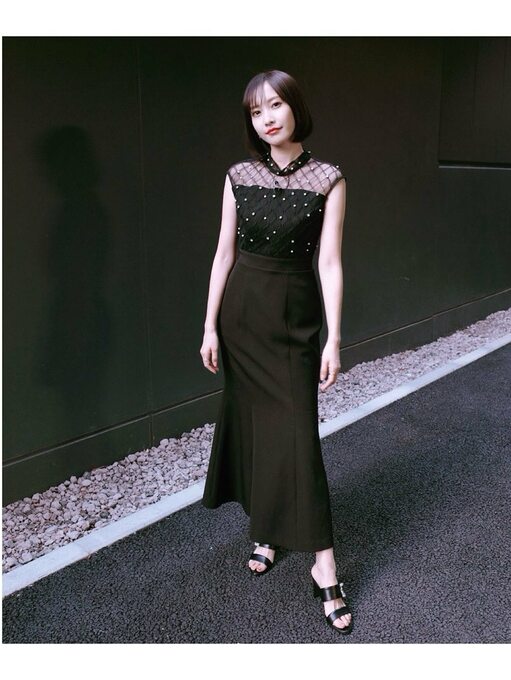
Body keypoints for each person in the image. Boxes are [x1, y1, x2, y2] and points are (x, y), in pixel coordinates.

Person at [199, 69, 351, 634]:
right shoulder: (238, 176)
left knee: (297, 436)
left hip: (294, 321)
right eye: (255, 111)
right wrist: (209, 326)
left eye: (275, 105)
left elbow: (329, 263)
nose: (266, 118)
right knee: (256, 427)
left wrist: (334, 336)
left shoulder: (328, 178)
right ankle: (266, 528)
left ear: (295, 108)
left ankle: (323, 564)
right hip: (242, 318)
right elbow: (223, 255)